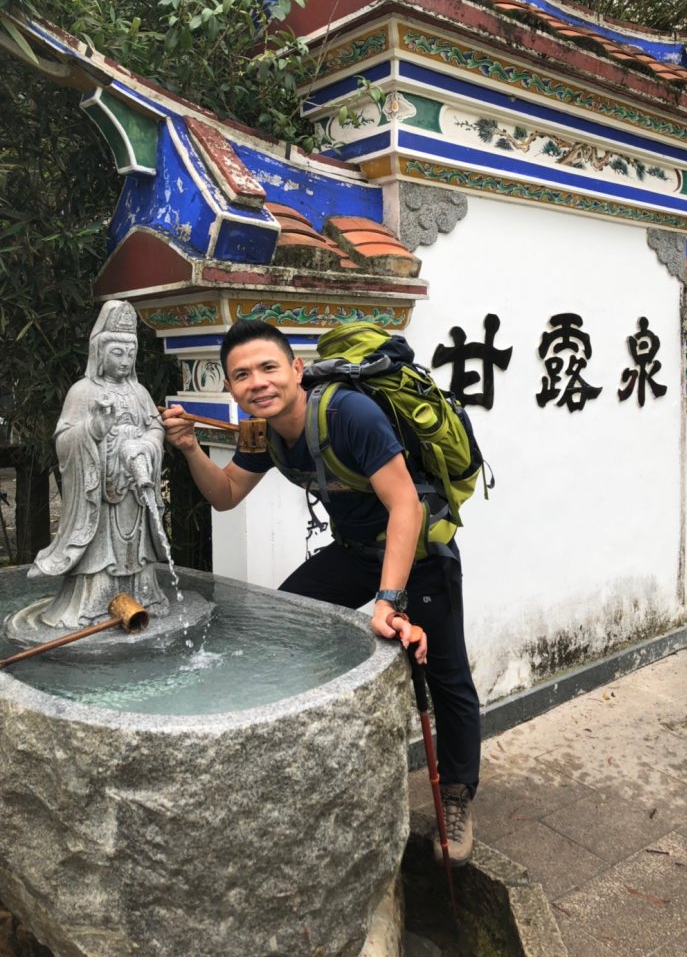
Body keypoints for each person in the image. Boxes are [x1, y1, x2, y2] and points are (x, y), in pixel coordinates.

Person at [162, 319, 481, 864]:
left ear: (296, 370)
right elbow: (227, 494)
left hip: (419, 554)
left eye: (268, 367)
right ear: (231, 387)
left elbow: (406, 505)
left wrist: (389, 602)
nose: (257, 382)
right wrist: (192, 450)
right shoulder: (265, 432)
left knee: (445, 675)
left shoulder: (347, 414)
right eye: (241, 375)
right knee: (283, 624)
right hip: (356, 551)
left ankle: (456, 796)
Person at [29, 300, 168, 627]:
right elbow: (64, 439)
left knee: (137, 553)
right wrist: (93, 430)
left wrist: (144, 446)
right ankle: (91, 604)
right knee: (100, 556)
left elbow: (156, 427)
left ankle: (144, 595)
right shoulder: (83, 391)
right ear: (99, 353)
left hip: (134, 489)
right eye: (117, 353)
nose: (124, 361)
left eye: (130, 354)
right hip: (100, 497)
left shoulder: (140, 392)